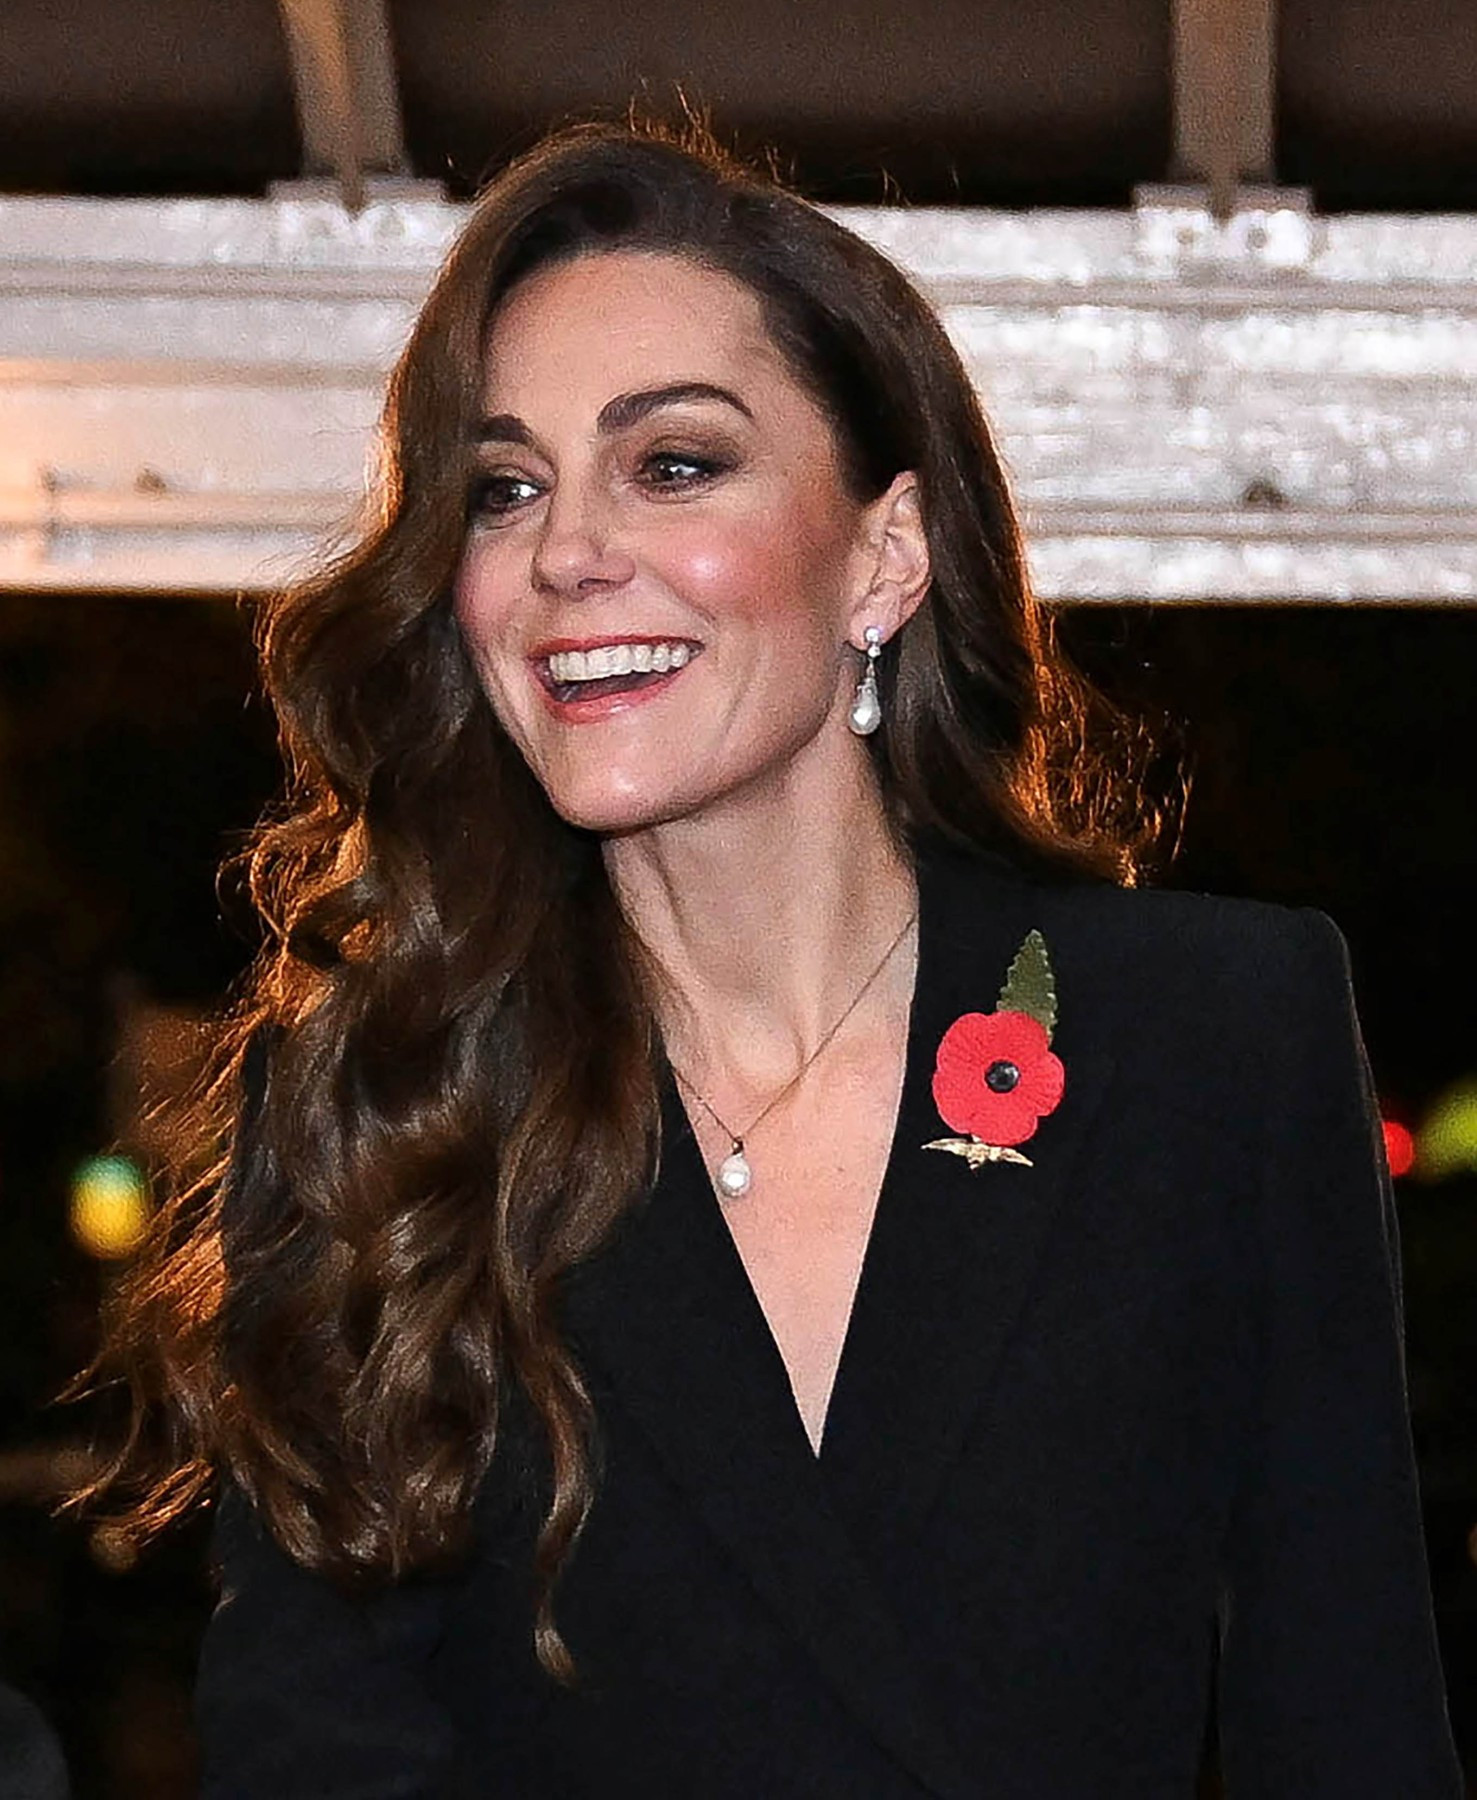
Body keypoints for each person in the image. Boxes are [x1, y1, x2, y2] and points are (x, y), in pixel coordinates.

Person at [79, 122, 1461, 1797]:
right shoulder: (388, 1104)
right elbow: (313, 1757)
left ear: (885, 555)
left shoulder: (1210, 1037)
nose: (566, 552)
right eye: (503, 488)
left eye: (672, 464)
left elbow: (1348, 1722)